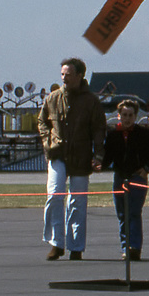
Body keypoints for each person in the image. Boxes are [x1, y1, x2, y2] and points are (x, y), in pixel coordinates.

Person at [38, 57, 104, 260]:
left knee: (78, 201)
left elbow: (99, 129)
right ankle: (56, 243)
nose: (64, 78)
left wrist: (98, 154)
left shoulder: (91, 101)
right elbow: (42, 122)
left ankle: (76, 246)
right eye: (62, 74)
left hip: (81, 157)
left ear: (79, 76)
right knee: (55, 195)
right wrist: (48, 144)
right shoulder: (52, 98)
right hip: (57, 154)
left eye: (68, 74)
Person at [105, 99, 149, 261]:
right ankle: (125, 247)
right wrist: (96, 164)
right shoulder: (113, 136)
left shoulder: (143, 134)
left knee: (134, 212)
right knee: (122, 214)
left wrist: (147, 169)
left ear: (135, 116)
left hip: (137, 177)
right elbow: (107, 157)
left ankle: (135, 247)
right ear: (119, 116)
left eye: (131, 115)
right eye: (124, 115)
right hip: (119, 177)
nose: (127, 118)